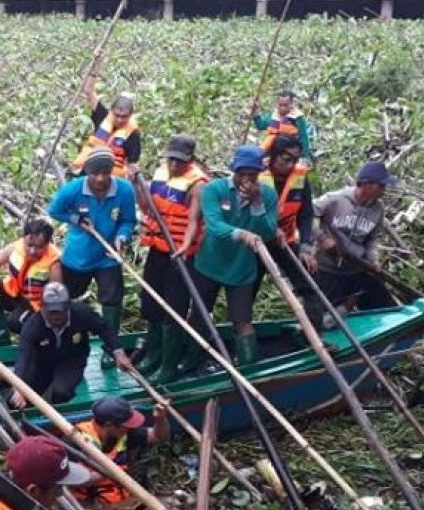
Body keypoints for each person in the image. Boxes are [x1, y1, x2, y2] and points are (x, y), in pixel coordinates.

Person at [178, 145, 279, 375]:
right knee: (200, 313)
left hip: (242, 268)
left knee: (242, 320)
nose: (246, 180)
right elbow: (214, 226)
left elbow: (268, 231)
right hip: (209, 264)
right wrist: (241, 234)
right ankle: (191, 359)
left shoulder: (268, 195)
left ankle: (249, 369)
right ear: (234, 171)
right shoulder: (214, 190)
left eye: (252, 176)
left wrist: (256, 204)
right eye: (242, 174)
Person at [48, 146, 137, 366]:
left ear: (111, 171)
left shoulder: (124, 190)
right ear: (87, 172)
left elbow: (128, 220)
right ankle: (67, 341)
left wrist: (123, 237)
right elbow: (54, 211)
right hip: (79, 255)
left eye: (105, 173)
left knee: (112, 300)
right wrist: (77, 220)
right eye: (95, 174)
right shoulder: (73, 190)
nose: (100, 178)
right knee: (67, 296)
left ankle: (111, 348)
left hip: (108, 254)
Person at [136, 134, 209, 383]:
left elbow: (194, 220)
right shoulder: (160, 173)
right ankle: (153, 353)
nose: (175, 165)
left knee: (174, 306)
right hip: (158, 248)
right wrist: (137, 185)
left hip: (181, 254)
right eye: (172, 160)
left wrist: (186, 243)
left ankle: (168, 366)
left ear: (189, 159)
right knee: (150, 300)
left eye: (180, 161)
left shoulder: (197, 182)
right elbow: (147, 207)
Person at [9, 282, 132, 409]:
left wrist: (119, 353)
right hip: (42, 361)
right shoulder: (33, 325)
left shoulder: (82, 313)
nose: (56, 316)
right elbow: (24, 355)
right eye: (52, 312)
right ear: (43, 308)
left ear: (68, 307)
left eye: (60, 311)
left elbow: (104, 328)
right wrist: (18, 387)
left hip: (72, 359)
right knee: (21, 393)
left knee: (61, 391)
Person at [314, 161, 397, 323]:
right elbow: (308, 215)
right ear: (366, 185)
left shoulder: (378, 209)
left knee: (384, 309)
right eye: (380, 186)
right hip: (328, 270)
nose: (384, 191)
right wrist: (322, 238)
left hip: (356, 268)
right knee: (326, 319)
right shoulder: (335, 200)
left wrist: (373, 260)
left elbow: (372, 240)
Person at [256, 135, 325, 328]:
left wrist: (306, 246)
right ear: (273, 157)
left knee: (311, 281)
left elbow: (306, 214)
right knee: (245, 290)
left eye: (295, 160)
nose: (291, 165)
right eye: (287, 159)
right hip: (255, 243)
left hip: (283, 241)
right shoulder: (256, 175)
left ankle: (314, 335)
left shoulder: (300, 178)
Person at [69, 396, 169, 505]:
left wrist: (160, 419)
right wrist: (112, 470)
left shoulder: (125, 432)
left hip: (123, 498)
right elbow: (76, 481)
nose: (129, 428)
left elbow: (157, 436)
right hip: (90, 504)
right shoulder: (76, 439)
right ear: (109, 425)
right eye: (126, 425)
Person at [0, 220, 62, 346]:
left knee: (16, 323)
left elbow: (56, 297)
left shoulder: (54, 261)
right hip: (13, 291)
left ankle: (43, 341)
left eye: (39, 247)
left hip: (36, 303)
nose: (33, 251)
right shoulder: (14, 248)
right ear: (24, 239)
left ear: (48, 243)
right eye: (29, 245)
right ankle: (0, 339)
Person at [69, 75, 142, 179]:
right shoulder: (103, 116)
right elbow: (88, 91)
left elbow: (133, 163)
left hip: (109, 178)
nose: (119, 120)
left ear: (130, 116)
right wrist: (96, 65)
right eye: (117, 115)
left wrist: (131, 172)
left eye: (124, 117)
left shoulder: (133, 134)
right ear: (111, 112)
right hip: (87, 170)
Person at [253, 89, 313, 166]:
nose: (282, 108)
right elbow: (260, 125)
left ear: (291, 104)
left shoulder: (297, 117)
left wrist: (305, 157)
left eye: (285, 105)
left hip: (290, 151)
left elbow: (304, 137)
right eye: (280, 105)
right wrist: (256, 111)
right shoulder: (274, 115)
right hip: (273, 151)